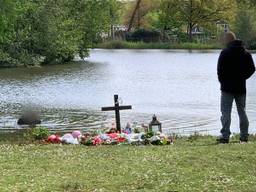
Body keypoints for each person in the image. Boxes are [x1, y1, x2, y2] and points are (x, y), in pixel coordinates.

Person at [217, 32, 255, 144]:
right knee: (242, 111)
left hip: (227, 88)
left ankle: (225, 137)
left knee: (225, 112)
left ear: (228, 40)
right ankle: (244, 136)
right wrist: (243, 77)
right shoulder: (246, 53)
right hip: (240, 87)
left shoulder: (224, 53)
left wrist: (222, 82)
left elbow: (219, 71)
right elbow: (252, 69)